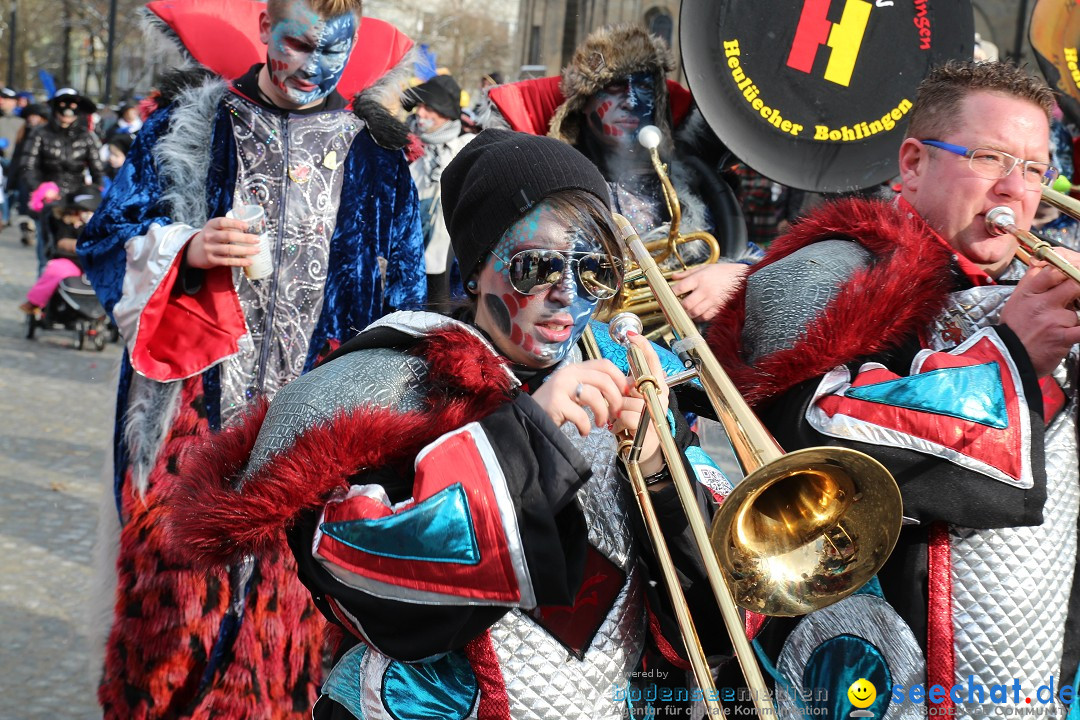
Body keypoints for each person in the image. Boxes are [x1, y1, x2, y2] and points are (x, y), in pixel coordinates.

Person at [167, 129, 729, 719]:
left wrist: (660, 474)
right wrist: (527, 434)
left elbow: (718, 620)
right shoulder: (392, 384)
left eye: (594, 272)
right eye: (535, 267)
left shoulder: (630, 378)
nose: (566, 294)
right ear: (475, 271)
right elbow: (374, 596)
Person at [77, 0, 426, 716]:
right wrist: (186, 250)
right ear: (266, 28)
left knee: (288, 635)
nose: (315, 66)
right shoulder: (187, 127)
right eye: (299, 43)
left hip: (319, 435)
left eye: (336, 49)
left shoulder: (379, 154)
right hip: (192, 421)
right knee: (170, 624)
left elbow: (406, 296)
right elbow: (106, 241)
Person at [708, 61, 1080, 716]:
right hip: (870, 669)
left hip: (1035, 666)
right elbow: (817, 441)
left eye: (1034, 168)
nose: (1014, 189)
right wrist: (1013, 354)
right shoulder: (827, 270)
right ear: (912, 163)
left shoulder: (1041, 285)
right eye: (991, 157)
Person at [490, 24, 754, 324]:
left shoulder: (687, 182)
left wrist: (738, 274)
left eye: (644, 88)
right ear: (584, 103)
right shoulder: (548, 185)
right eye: (615, 87)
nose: (632, 101)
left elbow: (752, 257)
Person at [403, 73, 474, 309]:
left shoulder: (466, 147)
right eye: (419, 106)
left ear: (445, 112)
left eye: (427, 107)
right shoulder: (406, 144)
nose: (419, 113)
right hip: (409, 260)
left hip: (449, 261)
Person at [23, 88, 103, 271]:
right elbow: (28, 166)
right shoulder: (40, 134)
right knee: (47, 250)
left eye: (73, 106)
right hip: (49, 200)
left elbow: (98, 171)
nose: (67, 111)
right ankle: (44, 293)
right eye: (63, 105)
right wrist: (40, 188)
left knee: (75, 250)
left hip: (77, 202)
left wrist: (91, 196)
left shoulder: (86, 136)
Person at [19, 188, 100, 313]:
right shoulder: (65, 222)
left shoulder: (102, 223)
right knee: (56, 270)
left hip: (96, 263)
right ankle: (35, 301)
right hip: (71, 260)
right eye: (84, 210)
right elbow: (61, 242)